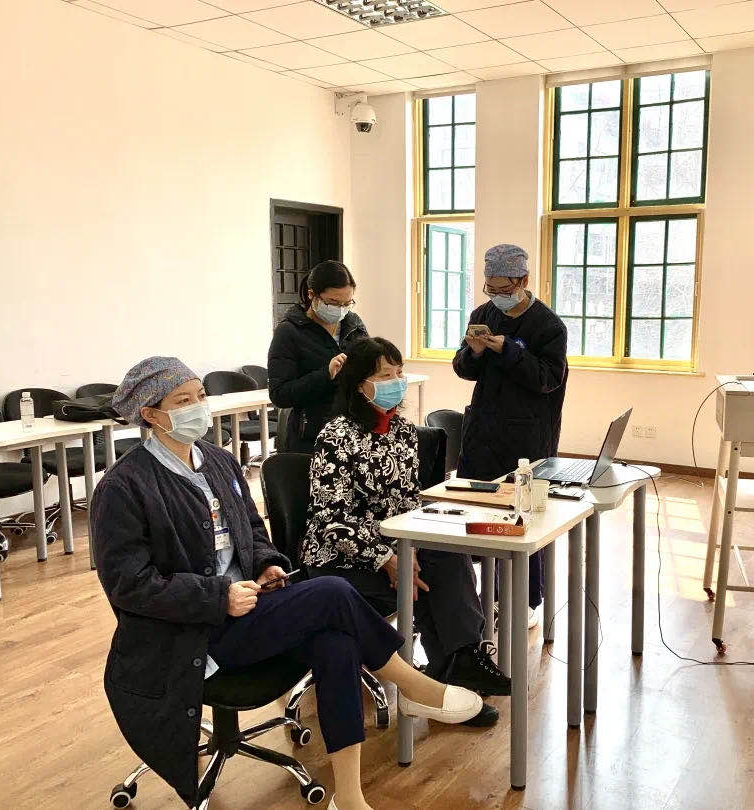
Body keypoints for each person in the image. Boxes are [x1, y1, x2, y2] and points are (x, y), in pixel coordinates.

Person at [93, 356, 482, 810]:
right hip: (191, 633)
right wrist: (218, 596)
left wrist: (265, 564)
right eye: (182, 401)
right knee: (332, 591)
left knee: (337, 643)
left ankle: (350, 798)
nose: (198, 407)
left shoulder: (218, 461)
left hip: (249, 610)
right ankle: (413, 685)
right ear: (150, 414)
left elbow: (252, 531)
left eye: (200, 396)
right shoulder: (124, 486)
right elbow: (129, 585)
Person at [303, 337, 510, 727]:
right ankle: (443, 681)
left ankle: (459, 664)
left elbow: (406, 502)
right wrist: (388, 559)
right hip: (340, 559)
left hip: (396, 545)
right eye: (385, 375)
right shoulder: (336, 436)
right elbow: (331, 520)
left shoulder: (401, 431)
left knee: (447, 553)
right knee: (435, 581)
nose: (396, 382)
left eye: (399, 373)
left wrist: (410, 552)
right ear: (359, 384)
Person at [452, 244, 569, 619]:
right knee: (478, 516)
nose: (497, 297)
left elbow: (547, 379)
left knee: (523, 520)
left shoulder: (548, 326)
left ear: (523, 281)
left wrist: (509, 351)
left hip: (528, 438)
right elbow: (464, 369)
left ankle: (525, 602)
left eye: (504, 289)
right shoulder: (482, 315)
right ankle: (478, 598)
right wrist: (474, 352)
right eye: (491, 288)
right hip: (483, 434)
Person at [268, 260, 368, 453]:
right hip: (311, 438)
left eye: (347, 303)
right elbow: (280, 394)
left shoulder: (353, 324)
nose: (341, 309)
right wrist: (326, 374)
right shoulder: (289, 331)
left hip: (353, 432)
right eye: (333, 302)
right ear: (311, 294)